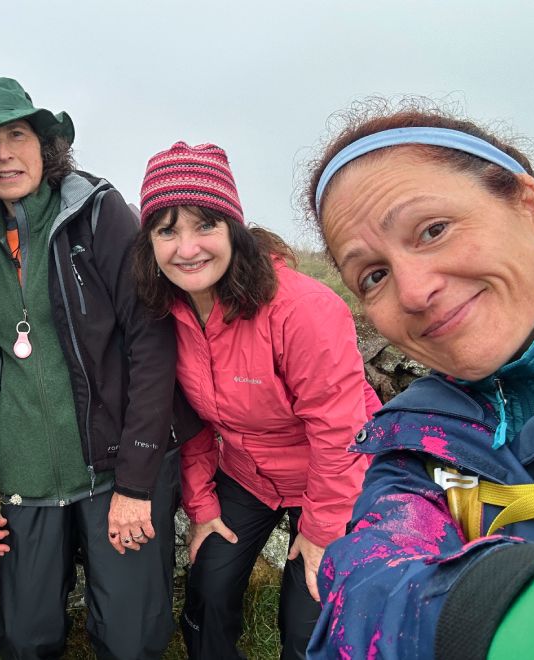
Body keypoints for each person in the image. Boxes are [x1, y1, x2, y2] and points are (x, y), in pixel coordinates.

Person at [0, 76, 184, 659]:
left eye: (16, 134)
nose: (2, 153)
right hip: (19, 480)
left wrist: (137, 483)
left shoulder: (98, 214)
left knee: (130, 640)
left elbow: (151, 343)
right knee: (23, 639)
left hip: (113, 472)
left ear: (45, 144)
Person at [303, 103, 534, 659]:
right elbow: (367, 581)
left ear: (532, 209)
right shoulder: (412, 447)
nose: (413, 292)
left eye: (432, 230)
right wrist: (488, 614)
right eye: (375, 275)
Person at [132, 142, 380, 659]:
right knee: (209, 587)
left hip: (338, 476)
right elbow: (193, 423)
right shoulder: (166, 315)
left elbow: (340, 432)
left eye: (205, 225)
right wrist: (201, 507)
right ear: (149, 243)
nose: (187, 247)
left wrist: (321, 531)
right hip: (249, 475)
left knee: (310, 615)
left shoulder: (303, 310)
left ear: (233, 230)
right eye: (166, 230)